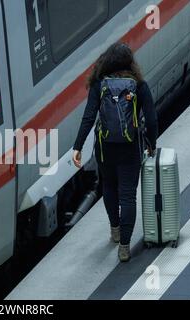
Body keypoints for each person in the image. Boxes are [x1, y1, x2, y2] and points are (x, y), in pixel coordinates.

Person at [72, 42, 158, 262]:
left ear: (107, 61)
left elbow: (89, 117)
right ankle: (125, 247)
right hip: (130, 150)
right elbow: (152, 117)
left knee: (109, 187)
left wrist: (78, 147)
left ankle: (115, 229)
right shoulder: (139, 85)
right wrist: (151, 142)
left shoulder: (99, 85)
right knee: (128, 195)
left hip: (105, 149)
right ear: (130, 63)